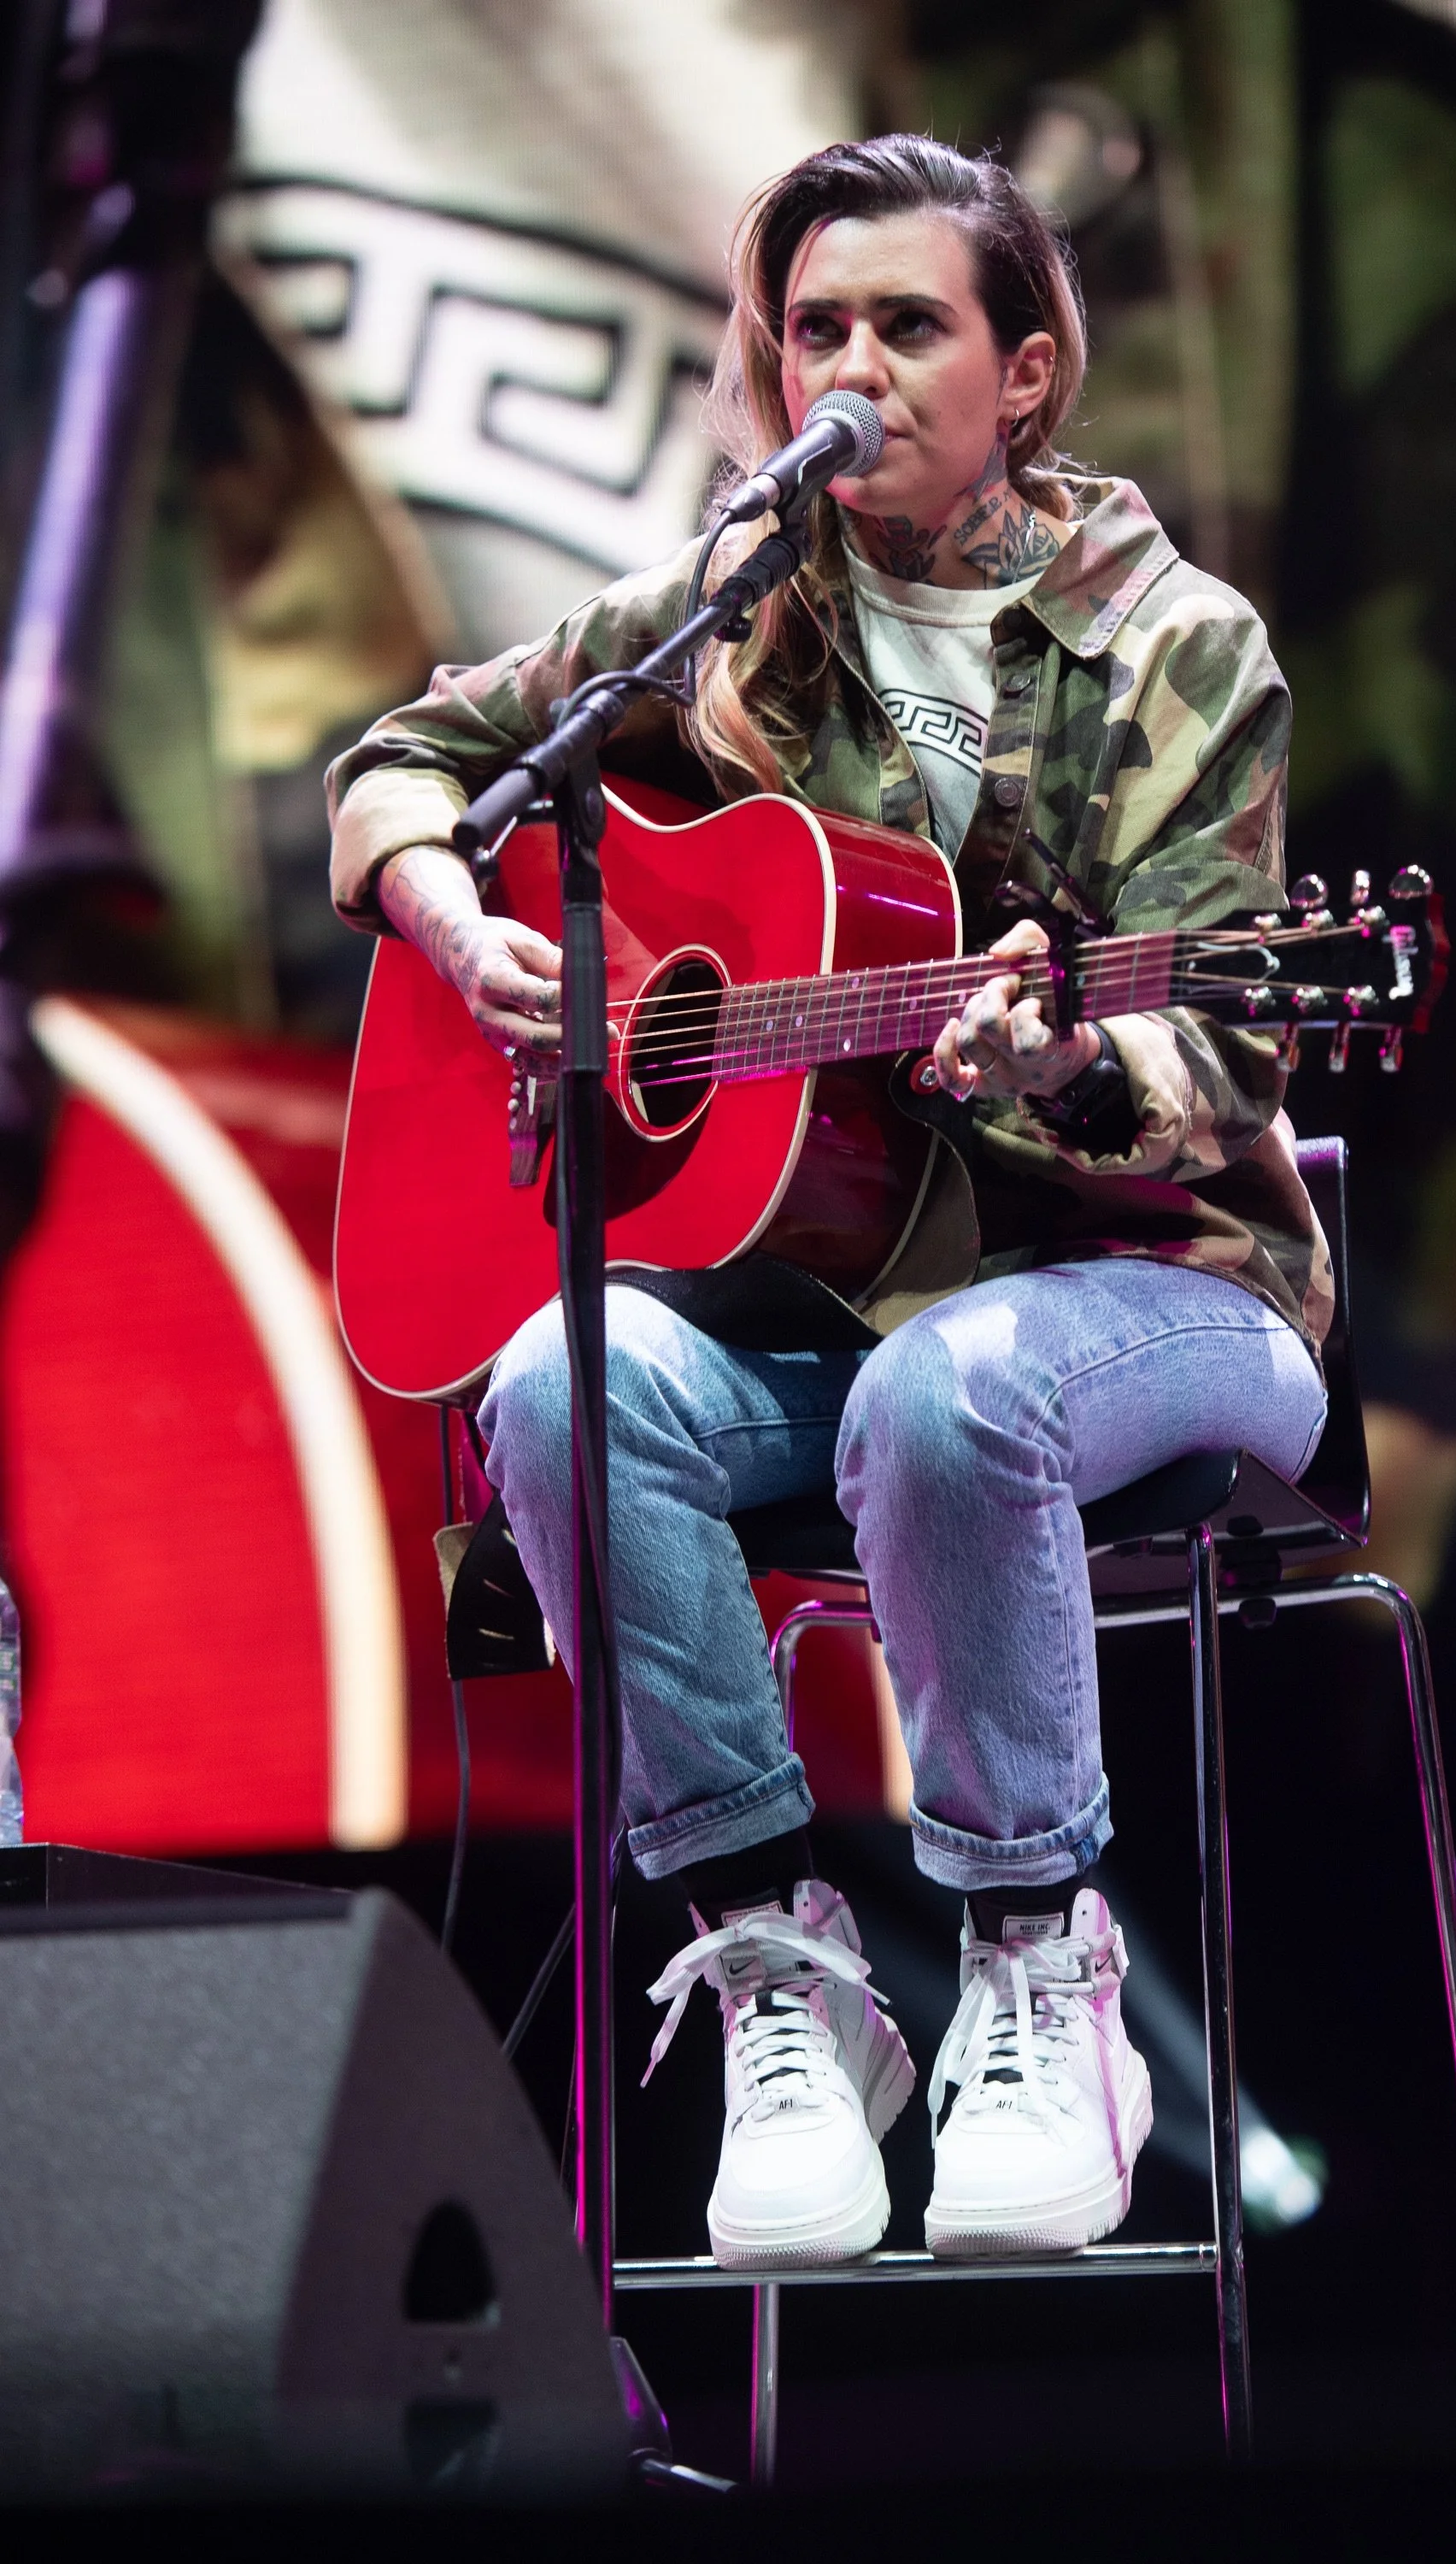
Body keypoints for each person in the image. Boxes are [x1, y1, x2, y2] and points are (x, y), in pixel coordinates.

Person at [328, 135, 1330, 2268]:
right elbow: (407, 758)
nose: (850, 368)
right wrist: (454, 920)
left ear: (1026, 372)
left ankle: (1034, 1959)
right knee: (556, 1381)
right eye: (816, 330)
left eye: (908, 325)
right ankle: (778, 1965)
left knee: (947, 1396)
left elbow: (1231, 1049)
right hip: (848, 1295)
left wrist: (1064, 1060)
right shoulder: (732, 606)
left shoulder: (1173, 643)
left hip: (1164, 1284)